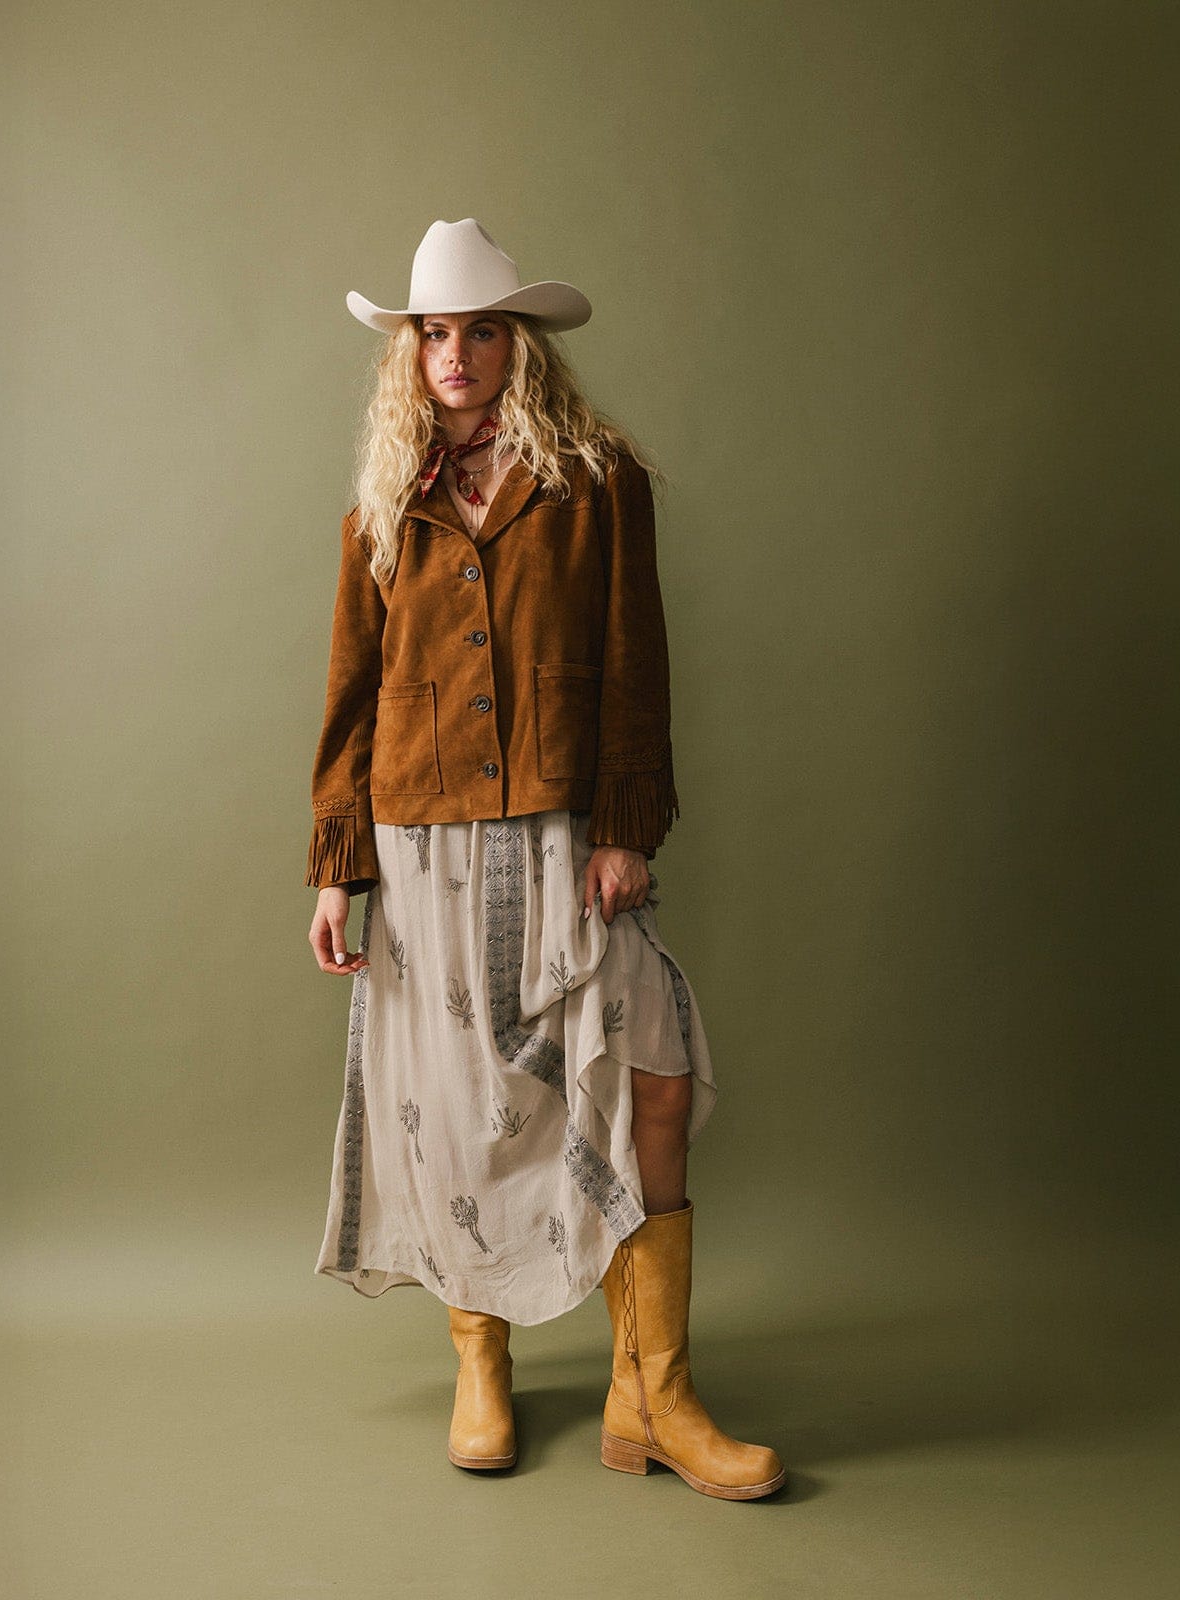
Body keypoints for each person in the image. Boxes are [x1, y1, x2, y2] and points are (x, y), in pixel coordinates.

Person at [304, 218, 785, 1500]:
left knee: (653, 1079)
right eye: (432, 333)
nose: (454, 354)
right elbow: (352, 690)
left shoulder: (595, 479)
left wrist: (624, 826)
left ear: (521, 344)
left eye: (479, 330)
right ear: (411, 351)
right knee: (463, 1106)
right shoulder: (385, 498)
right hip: (420, 840)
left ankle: (655, 1393)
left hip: (565, 829)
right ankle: (481, 1359)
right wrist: (337, 863)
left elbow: (635, 659)